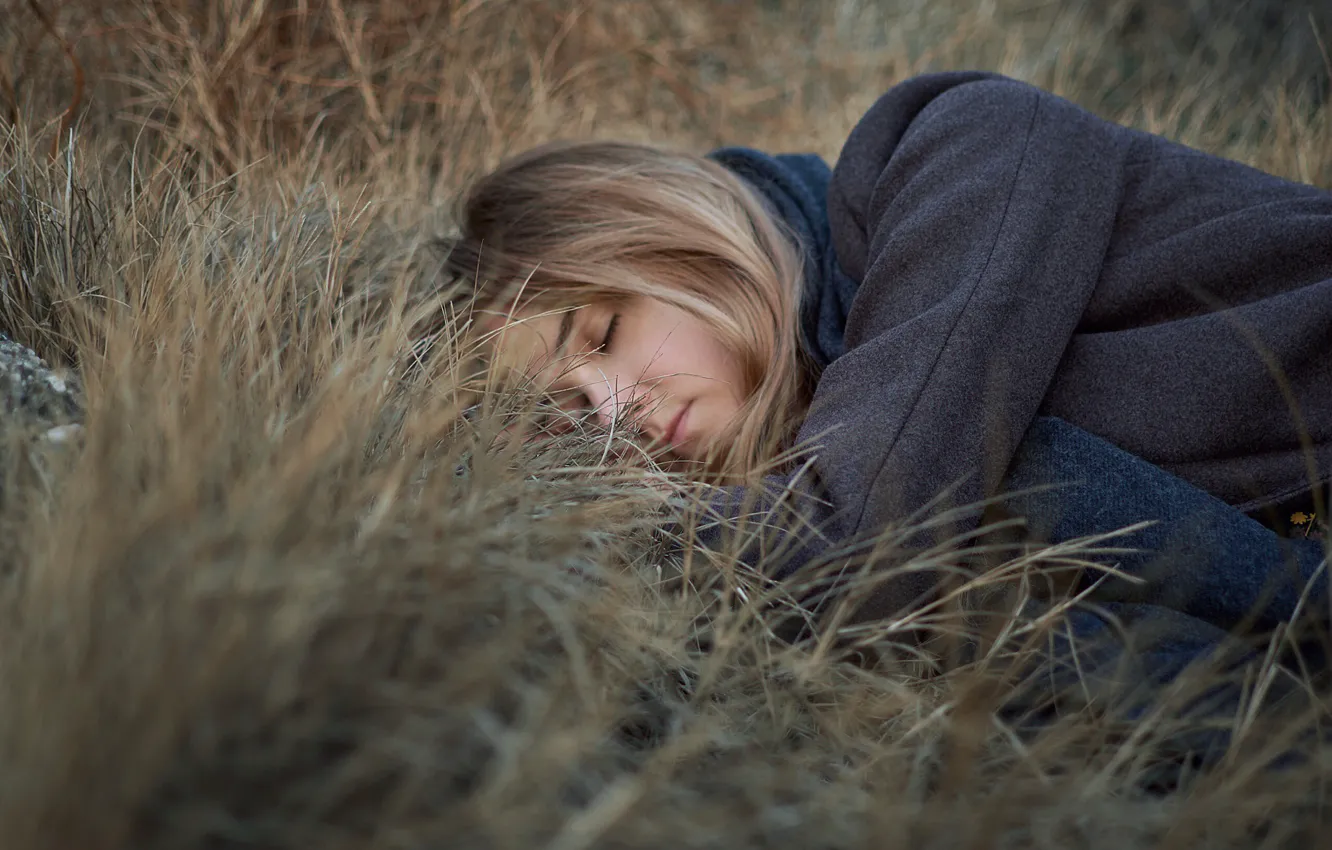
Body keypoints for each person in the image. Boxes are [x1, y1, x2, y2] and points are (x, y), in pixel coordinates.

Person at [444, 71, 1332, 778]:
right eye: (567, 411)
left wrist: (568, 556)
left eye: (602, 334)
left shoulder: (965, 146)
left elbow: (863, 537)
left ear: (676, 240)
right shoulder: (838, 458)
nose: (611, 413)